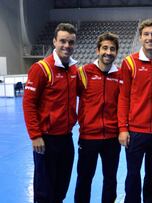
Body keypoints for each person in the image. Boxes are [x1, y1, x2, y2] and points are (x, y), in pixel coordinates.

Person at [23, 23, 77, 203]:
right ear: (54, 41)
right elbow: (28, 103)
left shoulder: (74, 70)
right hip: (45, 139)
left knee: (61, 186)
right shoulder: (40, 69)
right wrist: (35, 135)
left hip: (66, 138)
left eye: (70, 42)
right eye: (62, 41)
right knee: (44, 190)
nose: (66, 46)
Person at [74, 32, 122, 203]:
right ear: (97, 50)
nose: (108, 52)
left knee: (110, 179)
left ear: (116, 52)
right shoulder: (84, 73)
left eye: (112, 49)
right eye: (105, 48)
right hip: (88, 137)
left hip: (112, 138)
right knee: (84, 178)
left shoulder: (120, 75)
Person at [119, 19, 152, 203]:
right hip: (135, 132)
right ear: (140, 37)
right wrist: (123, 128)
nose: (150, 38)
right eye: (146, 34)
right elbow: (123, 98)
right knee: (133, 175)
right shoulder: (129, 63)